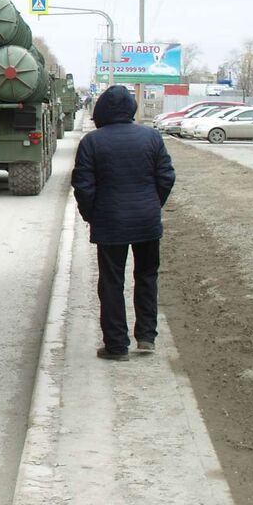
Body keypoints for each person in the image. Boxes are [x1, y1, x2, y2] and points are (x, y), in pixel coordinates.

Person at [71, 84, 176, 360]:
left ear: (102, 110)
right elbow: (166, 177)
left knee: (111, 282)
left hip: (110, 223)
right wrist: (153, 205)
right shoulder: (151, 138)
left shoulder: (92, 142)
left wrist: (92, 215)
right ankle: (146, 337)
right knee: (146, 276)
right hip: (147, 222)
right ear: (131, 108)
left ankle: (116, 346)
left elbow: (83, 186)